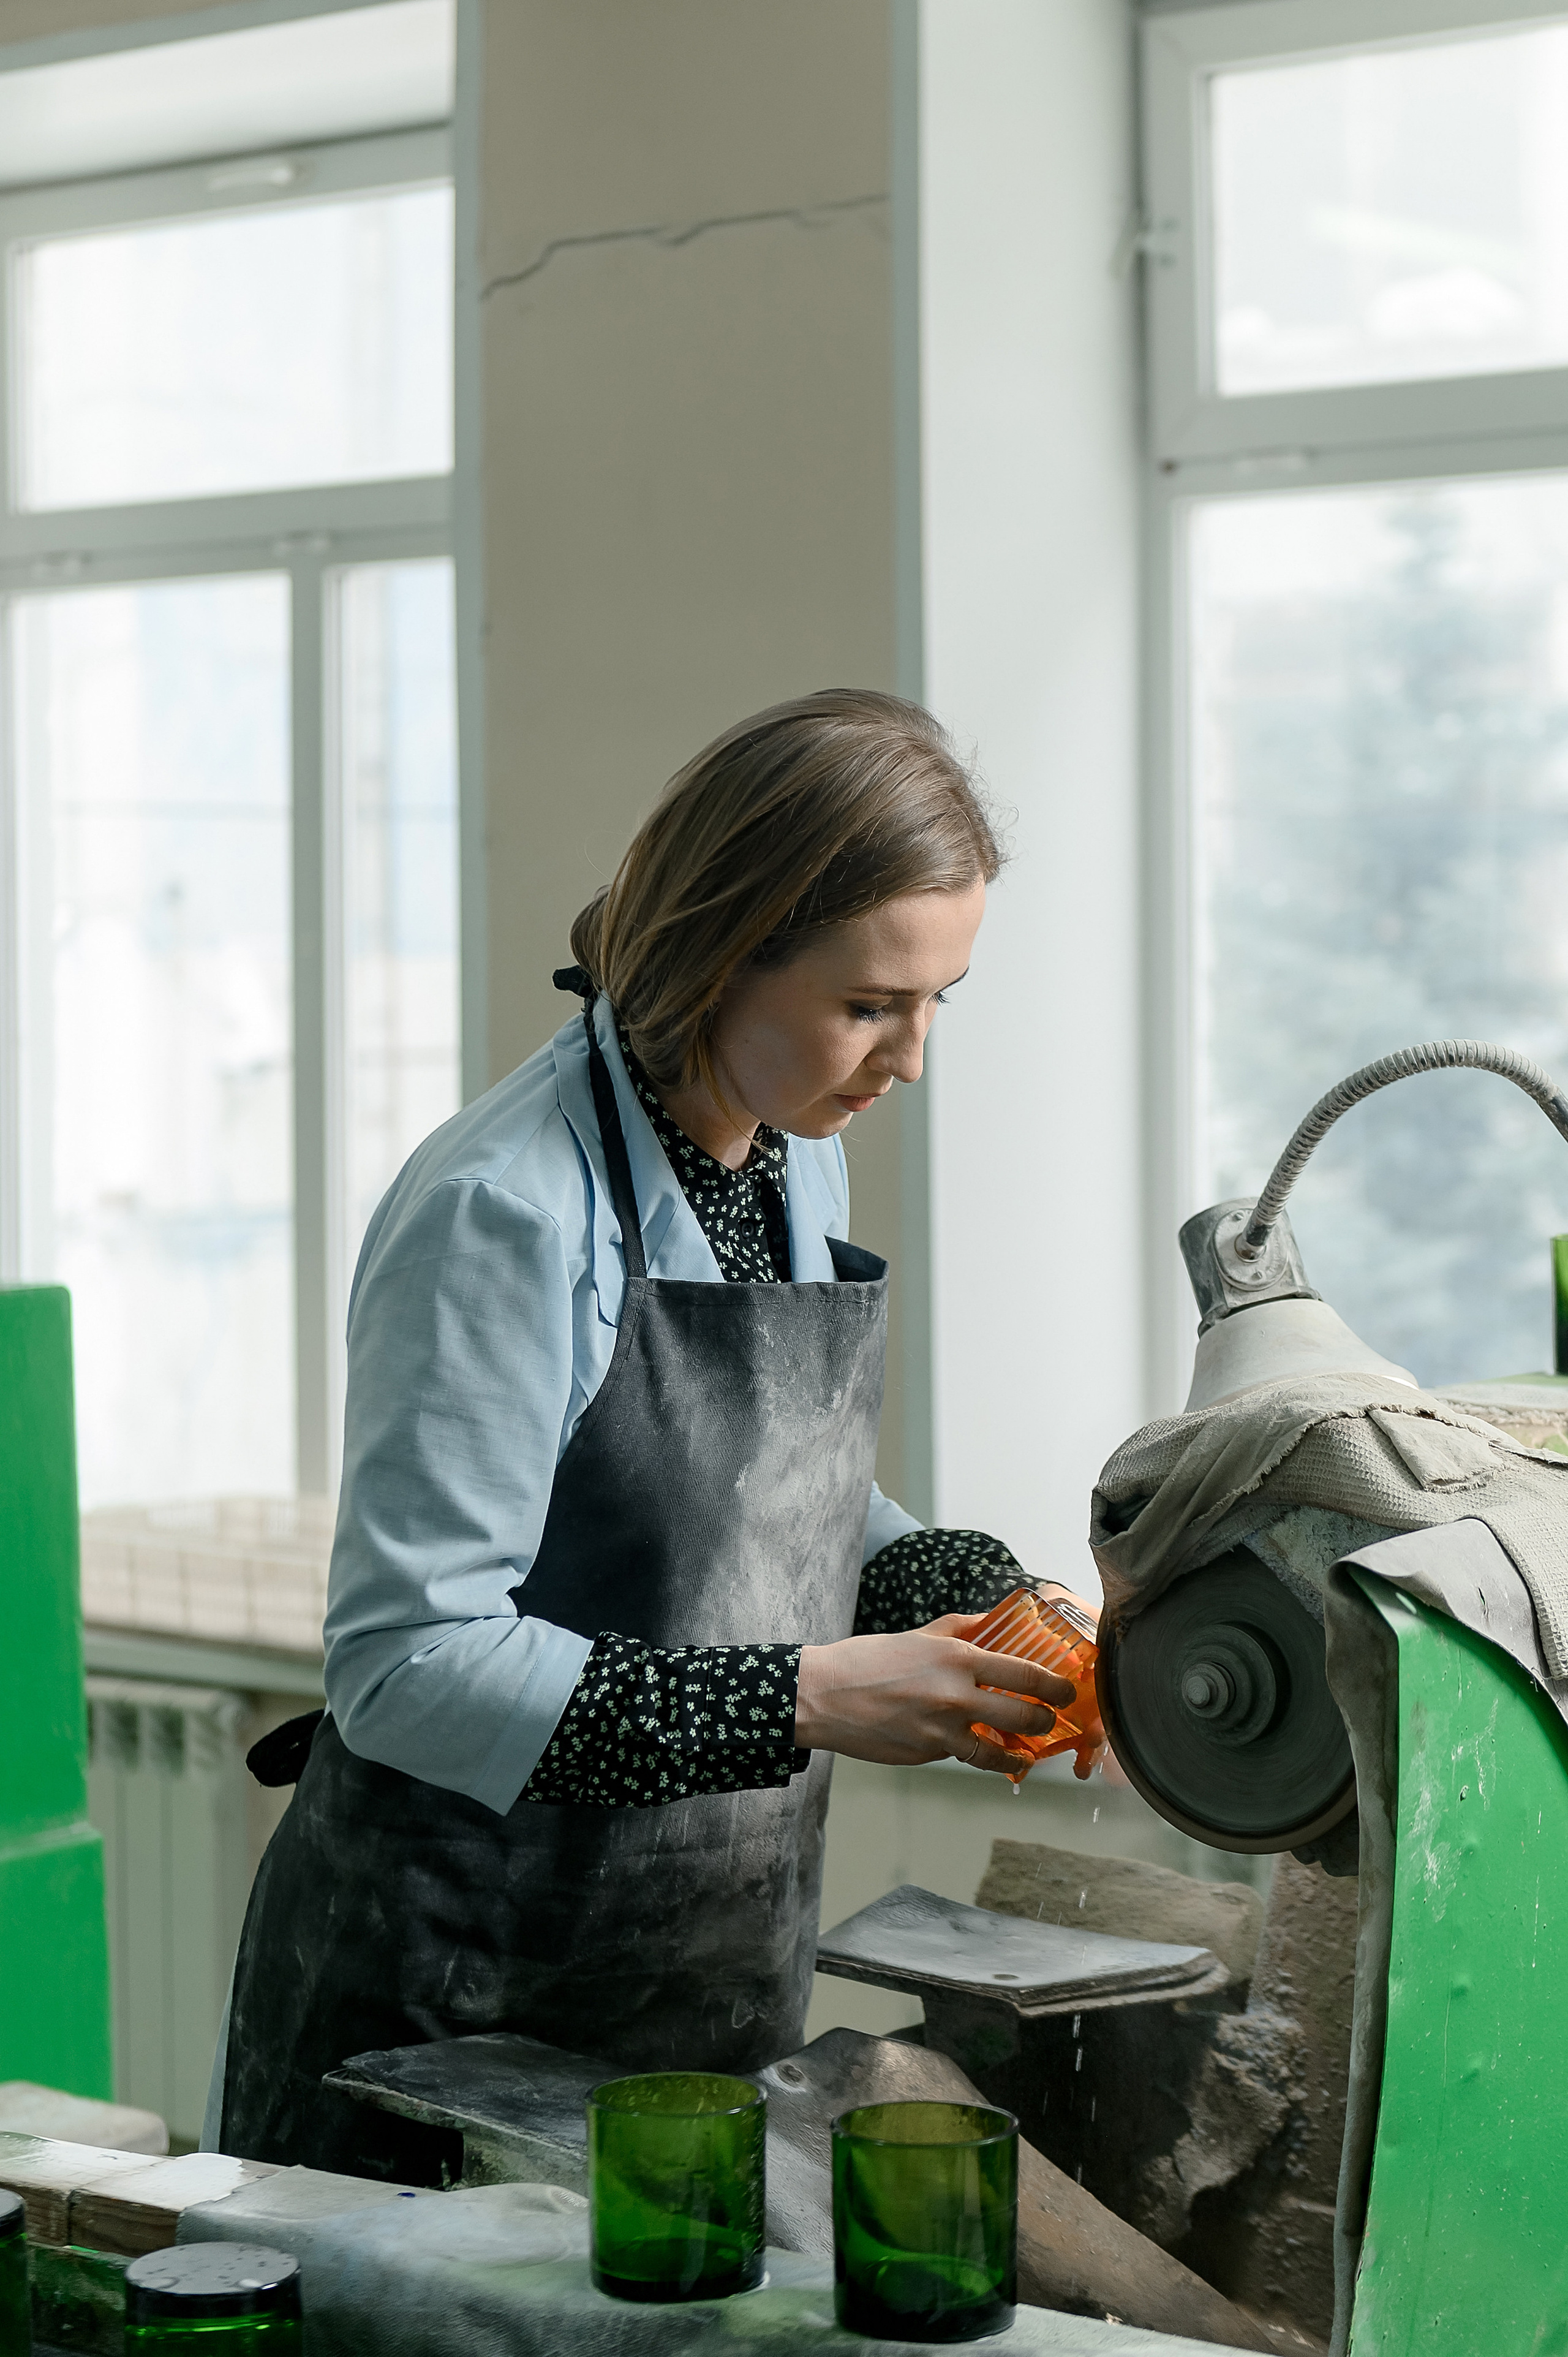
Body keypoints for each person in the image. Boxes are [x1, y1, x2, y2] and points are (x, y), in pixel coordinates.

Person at [219, 689, 1074, 2171]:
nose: (909, 1060)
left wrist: (982, 1602)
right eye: (869, 1004)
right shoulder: (502, 1209)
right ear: (715, 951)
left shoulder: (788, 1158)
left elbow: (773, 1494)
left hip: (696, 1979)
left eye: (940, 1002)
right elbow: (406, 1663)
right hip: (455, 1999)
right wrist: (797, 1695)